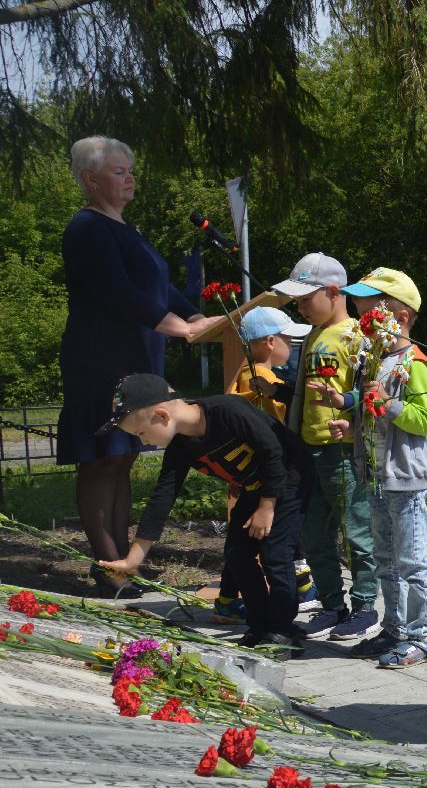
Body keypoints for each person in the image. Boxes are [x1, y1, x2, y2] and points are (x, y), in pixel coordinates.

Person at [56, 136, 213, 595]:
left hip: (136, 359)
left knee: (122, 460)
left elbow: (158, 288)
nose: (130, 179)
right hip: (100, 359)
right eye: (119, 171)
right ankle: (108, 568)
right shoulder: (86, 229)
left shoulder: (128, 230)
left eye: (131, 171)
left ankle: (123, 562)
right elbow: (118, 292)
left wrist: (195, 315)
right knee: (100, 460)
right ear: (90, 179)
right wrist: (176, 327)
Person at [94, 374, 311, 649]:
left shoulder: (228, 411)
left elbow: (274, 453)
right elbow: (162, 499)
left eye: (140, 433)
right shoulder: (180, 446)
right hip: (256, 487)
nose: (144, 442)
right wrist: (132, 560)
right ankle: (262, 624)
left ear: (162, 415)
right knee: (237, 555)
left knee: (276, 555)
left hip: (290, 479)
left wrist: (267, 506)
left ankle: (283, 632)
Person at [333, 269, 427, 669]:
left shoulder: (414, 363)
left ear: (399, 317)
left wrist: (388, 402)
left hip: (407, 479)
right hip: (378, 477)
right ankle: (394, 629)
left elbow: (422, 420)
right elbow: (373, 408)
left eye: (368, 317)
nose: (362, 326)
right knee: (385, 558)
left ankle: (423, 636)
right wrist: (351, 417)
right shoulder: (377, 360)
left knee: (412, 562)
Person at [273, 254, 380, 643]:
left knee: (357, 531)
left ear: (334, 292)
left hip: (343, 452)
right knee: (315, 534)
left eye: (305, 298)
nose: (300, 306)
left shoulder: (358, 336)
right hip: (308, 450)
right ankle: (333, 606)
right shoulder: (314, 334)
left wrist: (351, 415)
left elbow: (371, 391)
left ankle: (365, 607)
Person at [213, 306, 317, 623]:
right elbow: (279, 431)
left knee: (246, 539)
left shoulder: (242, 375)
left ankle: (228, 600)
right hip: (273, 476)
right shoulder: (265, 380)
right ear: (271, 341)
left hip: (248, 472)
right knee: (276, 538)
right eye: (289, 340)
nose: (292, 346)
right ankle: (305, 591)